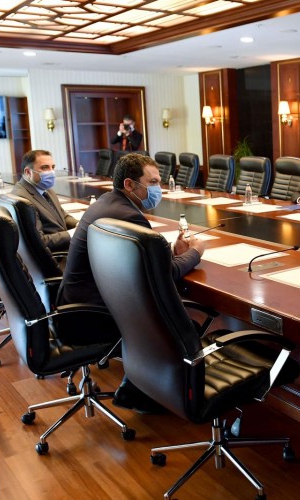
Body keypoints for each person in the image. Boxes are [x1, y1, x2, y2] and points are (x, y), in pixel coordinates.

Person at [59, 153, 204, 413]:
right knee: (180, 326)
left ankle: (137, 389)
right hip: (94, 316)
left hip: (77, 305)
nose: (158, 189)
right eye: (153, 182)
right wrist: (195, 253)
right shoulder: (129, 217)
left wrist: (171, 252)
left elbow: (144, 264)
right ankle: (150, 395)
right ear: (129, 184)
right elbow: (165, 274)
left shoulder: (107, 203)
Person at [10, 149, 78, 252]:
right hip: (57, 254)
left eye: (53, 167)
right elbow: (41, 242)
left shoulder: (45, 188)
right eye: (45, 167)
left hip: (66, 246)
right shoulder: (23, 199)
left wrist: (79, 225)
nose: (51, 172)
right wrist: (73, 233)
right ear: (28, 172)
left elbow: (62, 215)